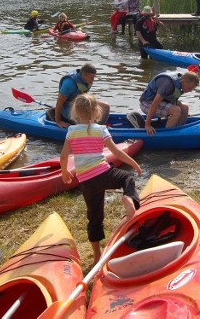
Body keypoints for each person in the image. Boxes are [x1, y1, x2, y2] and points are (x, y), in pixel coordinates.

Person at [60, 93, 142, 264]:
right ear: (96, 111)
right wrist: (134, 164)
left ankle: (97, 255)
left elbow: (64, 156)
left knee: (94, 217)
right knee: (127, 178)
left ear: (75, 112)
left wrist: (64, 173)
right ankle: (128, 197)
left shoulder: (71, 131)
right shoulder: (100, 129)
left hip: (86, 181)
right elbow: (116, 152)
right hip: (103, 173)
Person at [51, 64, 110, 128]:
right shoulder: (69, 84)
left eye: (94, 77)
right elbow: (59, 103)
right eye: (91, 78)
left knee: (105, 106)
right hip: (67, 107)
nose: (93, 80)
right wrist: (58, 121)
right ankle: (86, 129)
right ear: (84, 75)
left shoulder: (86, 80)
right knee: (82, 118)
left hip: (81, 102)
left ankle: (98, 128)